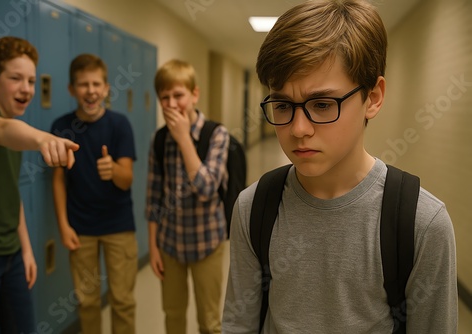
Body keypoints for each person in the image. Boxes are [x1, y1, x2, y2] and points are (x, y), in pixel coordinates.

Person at [222, 1, 457, 333]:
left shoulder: (422, 224)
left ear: (373, 98)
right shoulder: (253, 208)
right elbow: (238, 324)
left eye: (321, 104)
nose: (298, 128)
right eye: (283, 105)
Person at [0, 36, 79, 333]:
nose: (27, 89)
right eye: (16, 78)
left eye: (31, 80)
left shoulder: (12, 121)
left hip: (13, 254)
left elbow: (11, 192)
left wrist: (27, 250)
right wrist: (43, 138)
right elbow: (4, 130)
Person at [51, 54, 138, 334]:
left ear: (105, 88)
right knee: (86, 302)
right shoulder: (61, 127)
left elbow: (127, 180)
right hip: (81, 228)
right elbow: (58, 181)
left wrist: (112, 169)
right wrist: (63, 226)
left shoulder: (119, 124)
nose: (90, 90)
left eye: (96, 84)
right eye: (83, 84)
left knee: (122, 300)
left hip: (118, 227)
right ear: (72, 90)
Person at [146, 59, 229, 334]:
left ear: (194, 94)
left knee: (209, 321)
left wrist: (184, 139)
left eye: (178, 95)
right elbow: (154, 196)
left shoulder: (216, 134)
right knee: (173, 315)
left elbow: (207, 189)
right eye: (165, 98)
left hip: (207, 241)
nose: (171, 104)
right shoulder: (159, 139)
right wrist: (153, 246)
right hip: (170, 243)